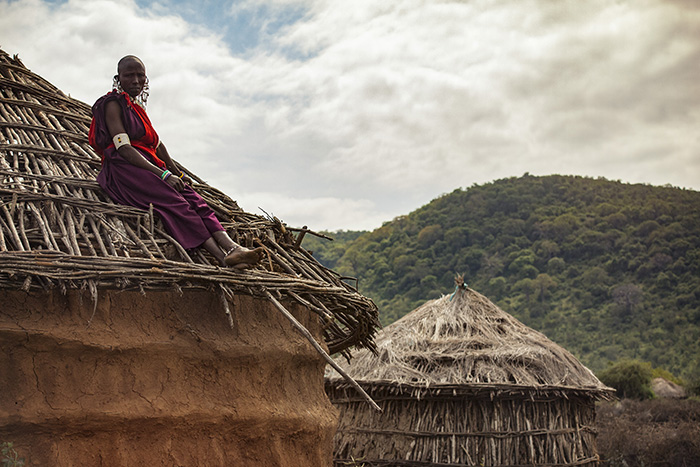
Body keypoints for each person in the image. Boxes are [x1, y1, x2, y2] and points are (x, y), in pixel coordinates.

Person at [89, 55, 263, 268]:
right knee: (177, 204)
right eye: (129, 75)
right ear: (118, 78)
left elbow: (158, 145)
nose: (135, 80)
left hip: (149, 166)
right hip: (126, 169)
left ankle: (233, 247)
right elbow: (123, 148)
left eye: (140, 75)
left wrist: (175, 172)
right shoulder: (112, 105)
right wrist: (163, 174)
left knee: (194, 198)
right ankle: (222, 257)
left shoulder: (137, 109)